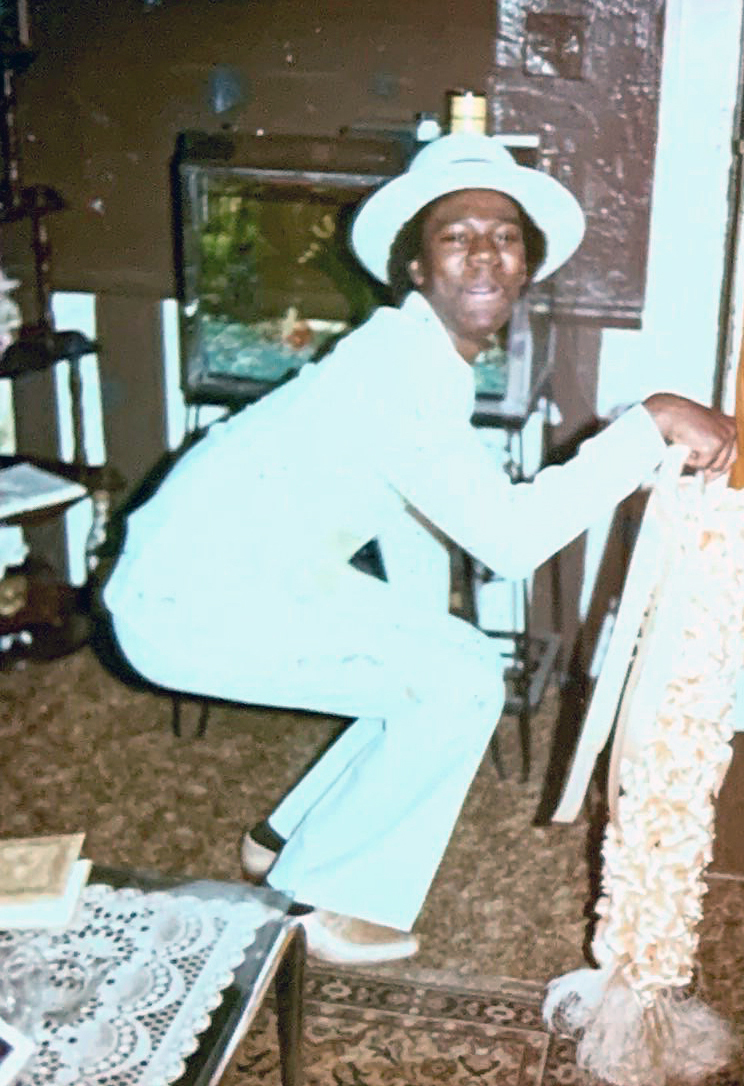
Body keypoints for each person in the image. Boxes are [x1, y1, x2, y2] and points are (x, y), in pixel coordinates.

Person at [103, 134, 736, 965]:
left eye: (504, 236)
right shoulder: (395, 370)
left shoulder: (414, 358)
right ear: (416, 268)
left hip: (235, 581)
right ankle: (328, 895)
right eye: (455, 235)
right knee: (463, 677)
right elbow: (510, 542)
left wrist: (428, 635)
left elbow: (409, 519)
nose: (484, 254)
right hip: (188, 605)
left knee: (446, 660)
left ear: (525, 264)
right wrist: (648, 419)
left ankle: (278, 838)